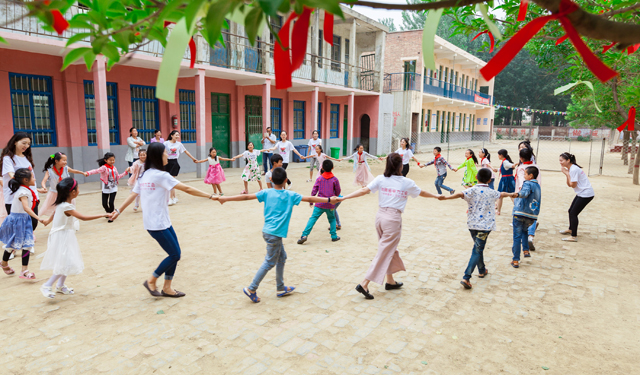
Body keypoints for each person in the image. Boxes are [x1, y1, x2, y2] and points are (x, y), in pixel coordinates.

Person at [110, 142, 218, 298]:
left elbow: (133, 194)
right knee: (175, 255)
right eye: (165, 153)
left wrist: (118, 211)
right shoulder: (161, 175)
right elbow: (186, 188)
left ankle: (167, 287)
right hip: (157, 224)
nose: (168, 155)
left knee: (175, 253)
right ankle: (152, 280)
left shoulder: (145, 174)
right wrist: (210, 196)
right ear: (159, 156)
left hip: (160, 221)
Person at [218, 167, 335, 303]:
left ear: (271, 180)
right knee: (269, 261)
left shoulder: (266, 192)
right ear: (286, 180)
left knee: (282, 257)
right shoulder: (290, 195)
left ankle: (280, 288)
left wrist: (226, 198)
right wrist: (328, 200)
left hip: (268, 232)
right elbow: (309, 197)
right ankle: (251, 288)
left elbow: (246, 196)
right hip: (274, 235)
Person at [338, 153, 441, 300]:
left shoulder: (381, 178)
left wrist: (344, 197)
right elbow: (422, 192)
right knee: (384, 251)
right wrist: (436, 196)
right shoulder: (406, 182)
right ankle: (364, 283)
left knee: (388, 249)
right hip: (392, 219)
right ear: (401, 166)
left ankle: (390, 281)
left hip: (380, 217)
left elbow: (363, 190)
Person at [439, 168, 513, 289]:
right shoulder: (491, 192)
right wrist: (513, 194)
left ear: (476, 178)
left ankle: (482, 270)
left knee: (478, 248)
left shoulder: (471, 190)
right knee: (477, 249)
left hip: (472, 225)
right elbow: (502, 194)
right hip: (485, 226)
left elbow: (459, 194)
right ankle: (466, 277)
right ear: (490, 180)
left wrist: (446, 197)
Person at [39, 178, 109, 298]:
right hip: (62, 236)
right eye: (78, 188)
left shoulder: (63, 204)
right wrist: (104, 214)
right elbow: (83, 217)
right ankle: (47, 285)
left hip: (65, 234)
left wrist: (47, 220)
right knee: (65, 262)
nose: (78, 190)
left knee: (68, 260)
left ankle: (60, 285)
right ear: (73, 192)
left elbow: (55, 212)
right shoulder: (66, 206)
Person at [0, 168, 45, 279]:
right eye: (33, 177)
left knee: (28, 245)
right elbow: (26, 207)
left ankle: (24, 270)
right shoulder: (23, 192)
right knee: (12, 245)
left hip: (24, 220)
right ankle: (4, 263)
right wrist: (39, 218)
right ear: (25, 180)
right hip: (18, 221)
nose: (34, 178)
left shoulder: (25, 189)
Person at [1, 132, 47, 215]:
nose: (26, 146)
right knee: (19, 225)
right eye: (24, 143)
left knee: (33, 223)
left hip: (32, 195)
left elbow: (28, 179)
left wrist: (36, 190)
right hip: (15, 197)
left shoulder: (26, 157)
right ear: (15, 142)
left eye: (28, 144)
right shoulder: (8, 158)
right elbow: (13, 176)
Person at [297, 159, 341, 244]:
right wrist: (335, 197)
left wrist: (311, 201)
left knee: (313, 218)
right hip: (330, 204)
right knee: (332, 219)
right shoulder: (335, 179)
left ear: (323, 168)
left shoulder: (319, 178)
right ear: (332, 168)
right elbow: (338, 191)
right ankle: (334, 236)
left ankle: (304, 235)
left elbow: (314, 190)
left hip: (319, 203)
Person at [559, 152, 594, 242]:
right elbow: (569, 184)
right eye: (559, 160)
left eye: (562, 160)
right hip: (582, 193)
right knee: (570, 211)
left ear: (568, 160)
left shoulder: (573, 169)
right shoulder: (571, 169)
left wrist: (567, 174)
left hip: (586, 194)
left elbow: (573, 185)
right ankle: (571, 229)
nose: (560, 162)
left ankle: (573, 236)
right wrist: (567, 174)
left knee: (573, 213)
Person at [511, 166, 541, 268]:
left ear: (530, 175)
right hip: (531, 215)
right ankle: (526, 250)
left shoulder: (528, 183)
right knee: (525, 232)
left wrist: (517, 194)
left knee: (516, 237)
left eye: (525, 174)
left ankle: (515, 260)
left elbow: (524, 193)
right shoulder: (538, 186)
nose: (524, 176)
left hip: (520, 213)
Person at [85, 152, 130, 220]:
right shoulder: (104, 167)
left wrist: (125, 172)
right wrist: (88, 173)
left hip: (113, 187)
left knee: (111, 202)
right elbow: (96, 171)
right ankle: (108, 213)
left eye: (113, 160)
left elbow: (117, 177)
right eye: (110, 160)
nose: (112, 161)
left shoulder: (114, 168)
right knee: (104, 204)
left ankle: (111, 216)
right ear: (105, 160)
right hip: (106, 187)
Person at [40, 152, 85, 216]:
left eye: (66, 160)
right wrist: (44, 187)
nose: (65, 162)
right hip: (54, 194)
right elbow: (43, 181)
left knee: (67, 209)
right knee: (56, 210)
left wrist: (83, 173)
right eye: (63, 160)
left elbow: (74, 171)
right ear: (56, 161)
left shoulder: (66, 168)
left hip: (66, 193)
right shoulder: (49, 171)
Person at [515, 147, 541, 250]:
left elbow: (522, 183)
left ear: (521, 158)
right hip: (536, 194)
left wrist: (520, 194)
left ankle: (523, 238)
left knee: (521, 216)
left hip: (523, 194)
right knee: (532, 214)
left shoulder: (522, 168)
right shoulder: (536, 167)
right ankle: (530, 236)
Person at [164, 130, 197, 205]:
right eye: (176, 135)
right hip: (166, 163)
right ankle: (174, 197)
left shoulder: (179, 144)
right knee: (170, 181)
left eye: (178, 135)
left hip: (174, 163)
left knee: (171, 181)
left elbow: (186, 151)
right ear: (171, 135)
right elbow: (161, 152)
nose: (177, 136)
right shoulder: (166, 143)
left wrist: (193, 158)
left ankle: (170, 198)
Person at [495, 149, 516, 215]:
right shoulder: (505, 162)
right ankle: (518, 208)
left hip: (505, 180)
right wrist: (497, 169)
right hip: (510, 179)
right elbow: (506, 167)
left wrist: (514, 165)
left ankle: (498, 211)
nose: (498, 156)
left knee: (500, 195)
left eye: (498, 155)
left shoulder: (505, 162)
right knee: (512, 195)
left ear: (501, 155)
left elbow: (510, 165)